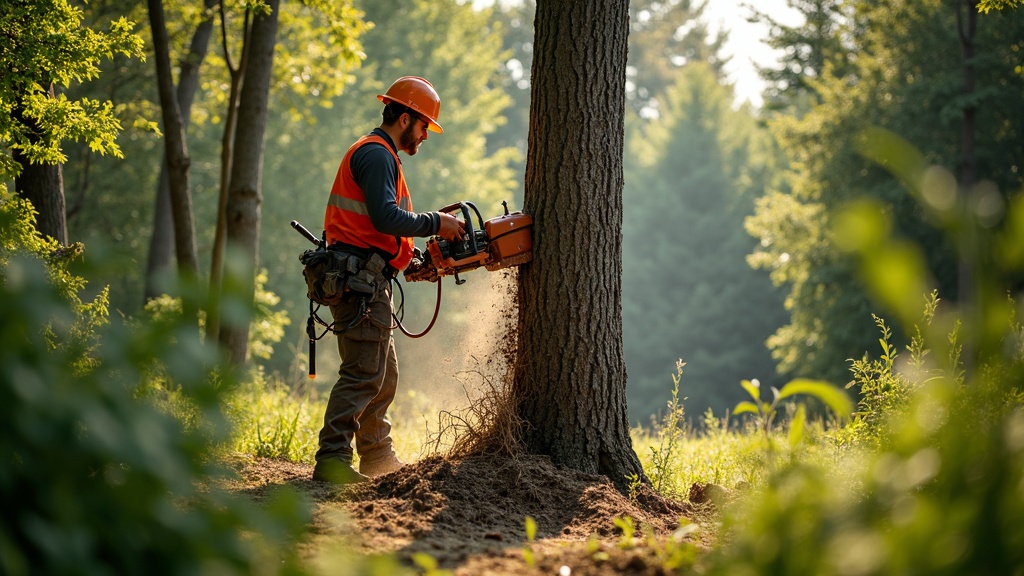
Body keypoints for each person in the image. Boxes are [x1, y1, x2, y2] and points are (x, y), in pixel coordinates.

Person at [312, 76, 465, 484]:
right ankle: (331, 461)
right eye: (423, 127)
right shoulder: (377, 155)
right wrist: (438, 222)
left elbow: (377, 229)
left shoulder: (379, 154)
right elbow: (385, 217)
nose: (425, 136)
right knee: (363, 373)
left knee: (383, 373)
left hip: (365, 278)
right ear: (404, 118)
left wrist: (406, 257)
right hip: (358, 281)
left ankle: (377, 456)